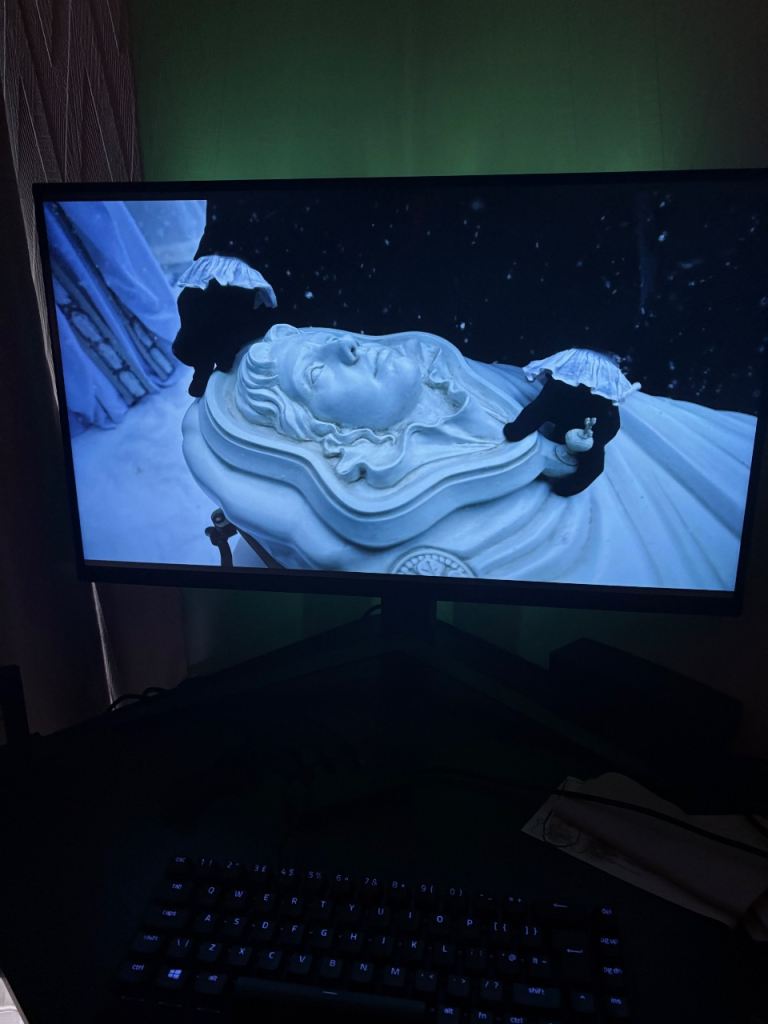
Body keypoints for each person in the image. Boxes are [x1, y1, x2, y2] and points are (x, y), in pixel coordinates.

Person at [503, 348, 641, 496]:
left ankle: (519, 430)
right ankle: (568, 481)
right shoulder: (604, 390)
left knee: (546, 406)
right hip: (584, 377)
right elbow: (611, 426)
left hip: (579, 371)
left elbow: (541, 406)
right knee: (593, 442)